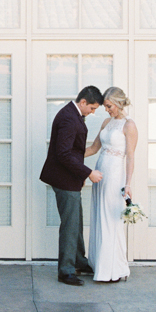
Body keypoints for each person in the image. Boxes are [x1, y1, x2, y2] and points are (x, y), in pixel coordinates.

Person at [40, 86, 104, 287]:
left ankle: (78, 261)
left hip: (70, 178)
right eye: (92, 108)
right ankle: (66, 271)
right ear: (83, 102)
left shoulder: (72, 113)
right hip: (63, 179)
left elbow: (71, 151)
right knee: (70, 225)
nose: (92, 113)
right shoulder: (69, 117)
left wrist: (79, 175)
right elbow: (64, 154)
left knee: (76, 221)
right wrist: (88, 172)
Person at [85, 87, 138, 283]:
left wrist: (128, 183)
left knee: (110, 219)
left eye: (109, 106)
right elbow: (93, 148)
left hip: (115, 176)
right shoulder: (106, 122)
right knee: (99, 216)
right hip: (100, 173)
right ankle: (100, 265)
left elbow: (130, 157)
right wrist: (69, 156)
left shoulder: (129, 125)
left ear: (118, 103)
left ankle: (113, 269)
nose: (106, 110)